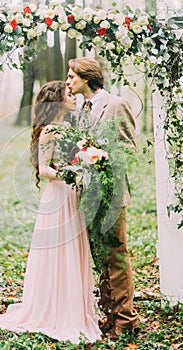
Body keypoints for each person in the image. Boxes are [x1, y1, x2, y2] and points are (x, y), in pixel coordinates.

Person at [0, 81, 102, 344]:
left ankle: (73, 305)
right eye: (67, 93)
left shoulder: (70, 128)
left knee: (74, 251)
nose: (72, 96)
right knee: (59, 253)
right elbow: (44, 169)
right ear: (55, 99)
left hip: (73, 195)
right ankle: (55, 310)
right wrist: (70, 174)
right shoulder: (49, 131)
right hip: (59, 195)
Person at [66, 57, 139, 339]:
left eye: (73, 76)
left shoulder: (117, 105)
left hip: (112, 194)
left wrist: (96, 156)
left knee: (116, 256)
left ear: (87, 78)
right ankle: (108, 315)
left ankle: (126, 319)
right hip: (87, 195)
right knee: (98, 258)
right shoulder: (78, 111)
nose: (69, 80)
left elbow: (128, 149)